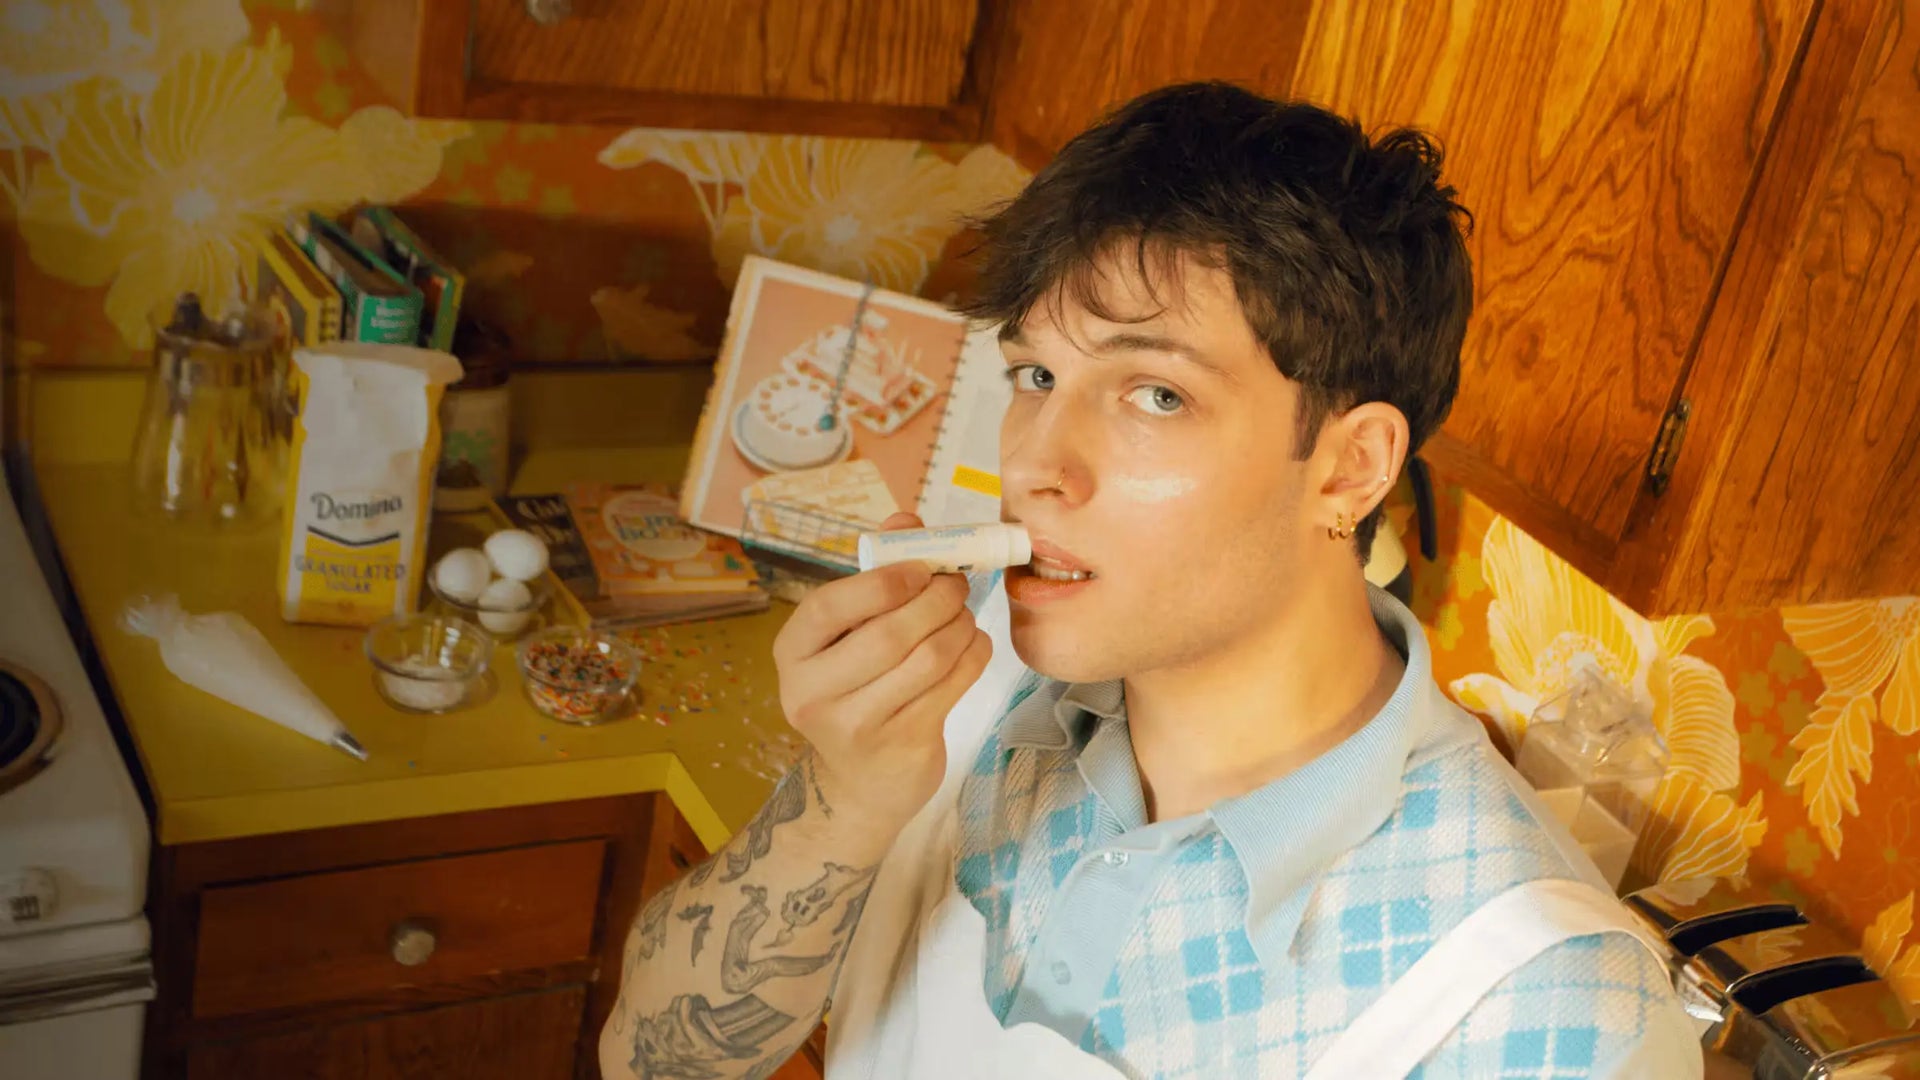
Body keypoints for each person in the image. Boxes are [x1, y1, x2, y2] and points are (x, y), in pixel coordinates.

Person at [600, 82, 1703, 1079]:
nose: (1032, 464)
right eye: (1036, 374)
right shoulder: (966, 670)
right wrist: (843, 806)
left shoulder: (1548, 1017)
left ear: (1349, 467)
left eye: (1155, 396)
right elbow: (650, 1063)